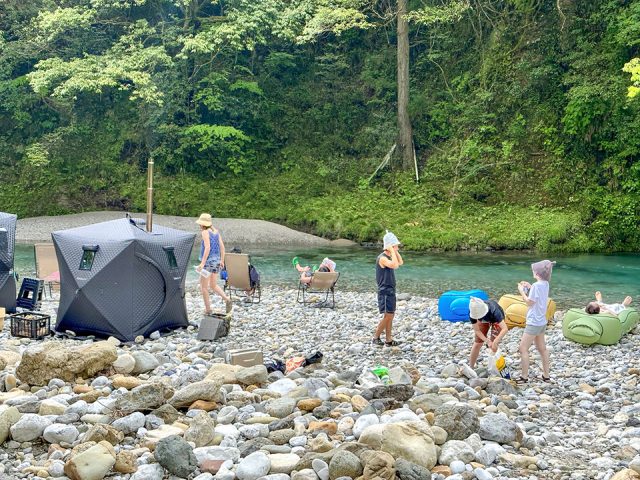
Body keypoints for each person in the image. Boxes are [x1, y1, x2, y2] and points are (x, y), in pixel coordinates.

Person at [516, 259, 555, 384]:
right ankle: (546, 375)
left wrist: (522, 291)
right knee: (542, 348)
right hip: (542, 321)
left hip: (533, 322)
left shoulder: (537, 286)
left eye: (533, 271)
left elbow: (529, 302)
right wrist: (529, 286)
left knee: (523, 349)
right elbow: (537, 293)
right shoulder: (545, 284)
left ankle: (524, 377)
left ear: (537, 273)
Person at [195, 213, 232, 316]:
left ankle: (208, 310)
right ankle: (227, 299)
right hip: (216, 262)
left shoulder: (205, 232)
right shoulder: (216, 232)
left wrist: (202, 263)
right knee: (213, 285)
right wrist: (222, 260)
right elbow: (222, 247)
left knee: (204, 287)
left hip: (208, 263)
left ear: (202, 224)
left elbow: (207, 248)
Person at [372, 231, 403, 347]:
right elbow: (395, 265)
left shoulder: (390, 256)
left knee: (391, 314)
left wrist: (395, 251)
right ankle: (376, 337)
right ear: (389, 246)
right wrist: (391, 250)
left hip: (390, 290)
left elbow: (400, 262)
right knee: (388, 315)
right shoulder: (382, 258)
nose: (398, 247)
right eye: (396, 246)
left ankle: (388, 339)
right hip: (384, 291)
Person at [468, 296, 509, 368]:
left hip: (496, 321)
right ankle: (471, 367)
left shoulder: (495, 311)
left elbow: (505, 329)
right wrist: (487, 341)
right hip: (483, 321)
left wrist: (495, 341)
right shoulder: (472, 312)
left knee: (493, 346)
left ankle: (495, 368)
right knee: (477, 344)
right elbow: (477, 330)